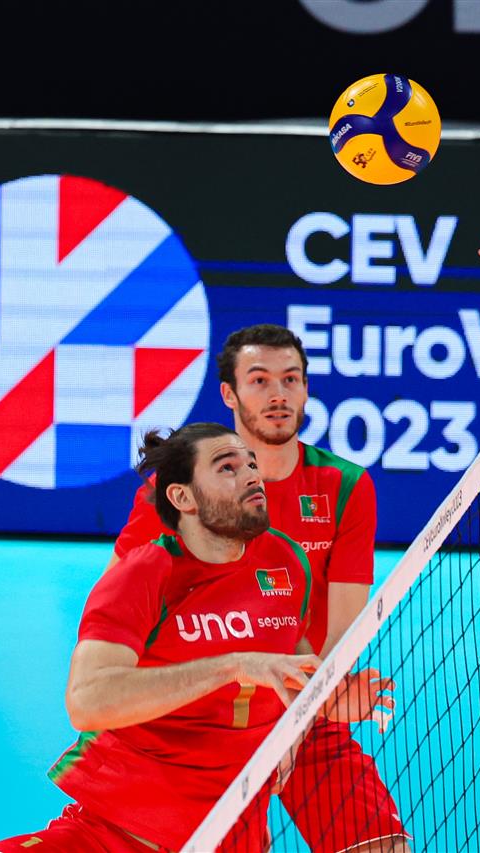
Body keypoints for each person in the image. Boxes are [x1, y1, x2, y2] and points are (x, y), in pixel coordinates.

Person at [111, 324, 409, 853]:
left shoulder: (344, 487)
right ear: (229, 394)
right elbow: (122, 610)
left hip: (302, 703)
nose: (278, 394)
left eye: (290, 379)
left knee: (382, 847)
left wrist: (296, 721)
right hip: (198, 718)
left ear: (306, 388)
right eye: (259, 380)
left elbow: (339, 637)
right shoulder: (179, 489)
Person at [0, 423, 322, 852]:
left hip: (228, 836)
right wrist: (233, 666)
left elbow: (296, 667)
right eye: (227, 467)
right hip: (115, 834)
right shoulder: (145, 573)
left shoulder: (285, 560)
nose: (252, 475)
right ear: (182, 497)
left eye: (251, 464)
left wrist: (322, 707)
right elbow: (87, 700)